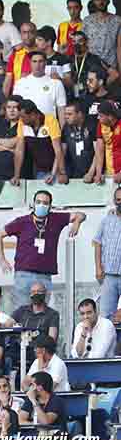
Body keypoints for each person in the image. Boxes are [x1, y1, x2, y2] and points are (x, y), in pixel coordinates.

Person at [0, 190, 85, 309]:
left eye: (45, 203)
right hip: (24, 274)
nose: (41, 205)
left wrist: (77, 223)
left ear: (50, 206)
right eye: (38, 202)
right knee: (22, 311)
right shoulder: (22, 221)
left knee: (42, 313)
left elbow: (81, 215)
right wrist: (2, 260)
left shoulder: (55, 219)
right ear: (33, 204)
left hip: (45, 275)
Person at [13, 52, 67, 127]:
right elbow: (15, 108)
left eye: (40, 61)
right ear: (30, 63)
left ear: (45, 63)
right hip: (26, 129)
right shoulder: (20, 83)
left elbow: (61, 110)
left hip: (49, 128)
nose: (37, 65)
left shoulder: (56, 83)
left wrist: (63, 132)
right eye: (34, 61)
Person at [94, 187, 121, 318]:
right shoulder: (107, 220)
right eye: (118, 200)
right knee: (105, 317)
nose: (120, 202)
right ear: (114, 201)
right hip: (108, 276)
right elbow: (97, 242)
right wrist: (98, 268)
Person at [82, 0, 121, 72]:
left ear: (108, 1)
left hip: (111, 68)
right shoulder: (87, 21)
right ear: (94, 1)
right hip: (91, 67)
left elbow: (119, 47)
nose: (101, 2)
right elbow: (83, 45)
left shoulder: (117, 20)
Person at [61, 101, 100, 180]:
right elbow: (62, 152)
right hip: (73, 174)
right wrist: (62, 172)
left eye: (70, 114)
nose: (66, 117)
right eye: (65, 114)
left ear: (79, 114)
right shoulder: (66, 127)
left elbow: (98, 152)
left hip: (92, 173)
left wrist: (91, 172)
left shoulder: (92, 125)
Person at [3, 23, 38, 97]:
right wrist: (5, 102)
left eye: (31, 32)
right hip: (18, 97)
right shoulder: (15, 55)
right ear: (20, 35)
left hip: (37, 95)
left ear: (35, 34)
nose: (27, 36)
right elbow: (8, 81)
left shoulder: (42, 54)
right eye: (24, 32)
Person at [94, 101, 121, 184]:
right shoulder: (101, 125)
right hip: (110, 173)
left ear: (110, 116)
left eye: (101, 116)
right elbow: (99, 151)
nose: (98, 118)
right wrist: (98, 173)